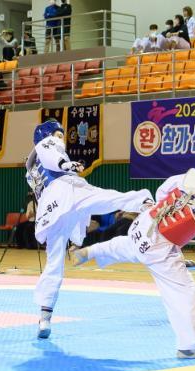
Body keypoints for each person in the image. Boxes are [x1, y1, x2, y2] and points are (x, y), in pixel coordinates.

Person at [73, 147, 195, 359]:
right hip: (159, 248)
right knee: (185, 292)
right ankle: (189, 347)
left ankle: (92, 250)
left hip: (143, 224)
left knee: (128, 246)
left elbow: (161, 192)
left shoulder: (187, 178)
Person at [26, 119, 153, 339]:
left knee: (54, 262)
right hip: (67, 190)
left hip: (52, 208)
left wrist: (65, 166)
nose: (60, 139)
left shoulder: (30, 167)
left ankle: (45, 316)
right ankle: (146, 203)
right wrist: (66, 165)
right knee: (108, 198)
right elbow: (52, 156)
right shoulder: (46, 145)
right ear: (46, 136)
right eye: (57, 135)